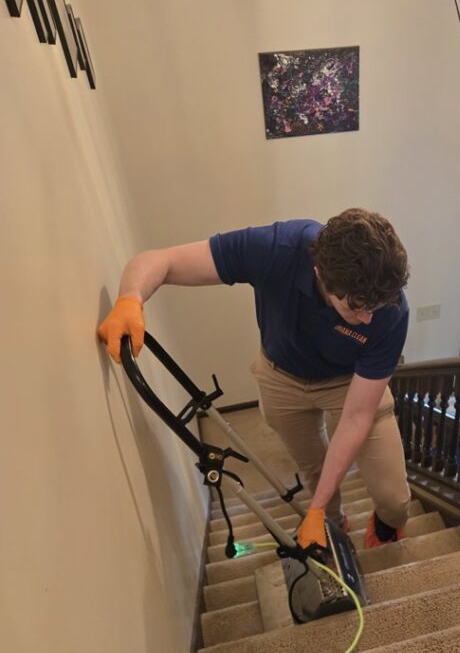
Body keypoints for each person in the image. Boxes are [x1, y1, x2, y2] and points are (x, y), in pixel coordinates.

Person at [98, 208, 412, 551]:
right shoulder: (277, 249)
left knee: (395, 499)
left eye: (374, 309)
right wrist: (131, 298)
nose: (367, 320)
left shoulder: (390, 310)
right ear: (320, 274)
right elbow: (160, 261)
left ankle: (381, 526)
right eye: (355, 308)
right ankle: (332, 525)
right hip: (282, 377)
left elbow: (356, 416)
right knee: (314, 466)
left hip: (349, 382)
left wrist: (315, 508)